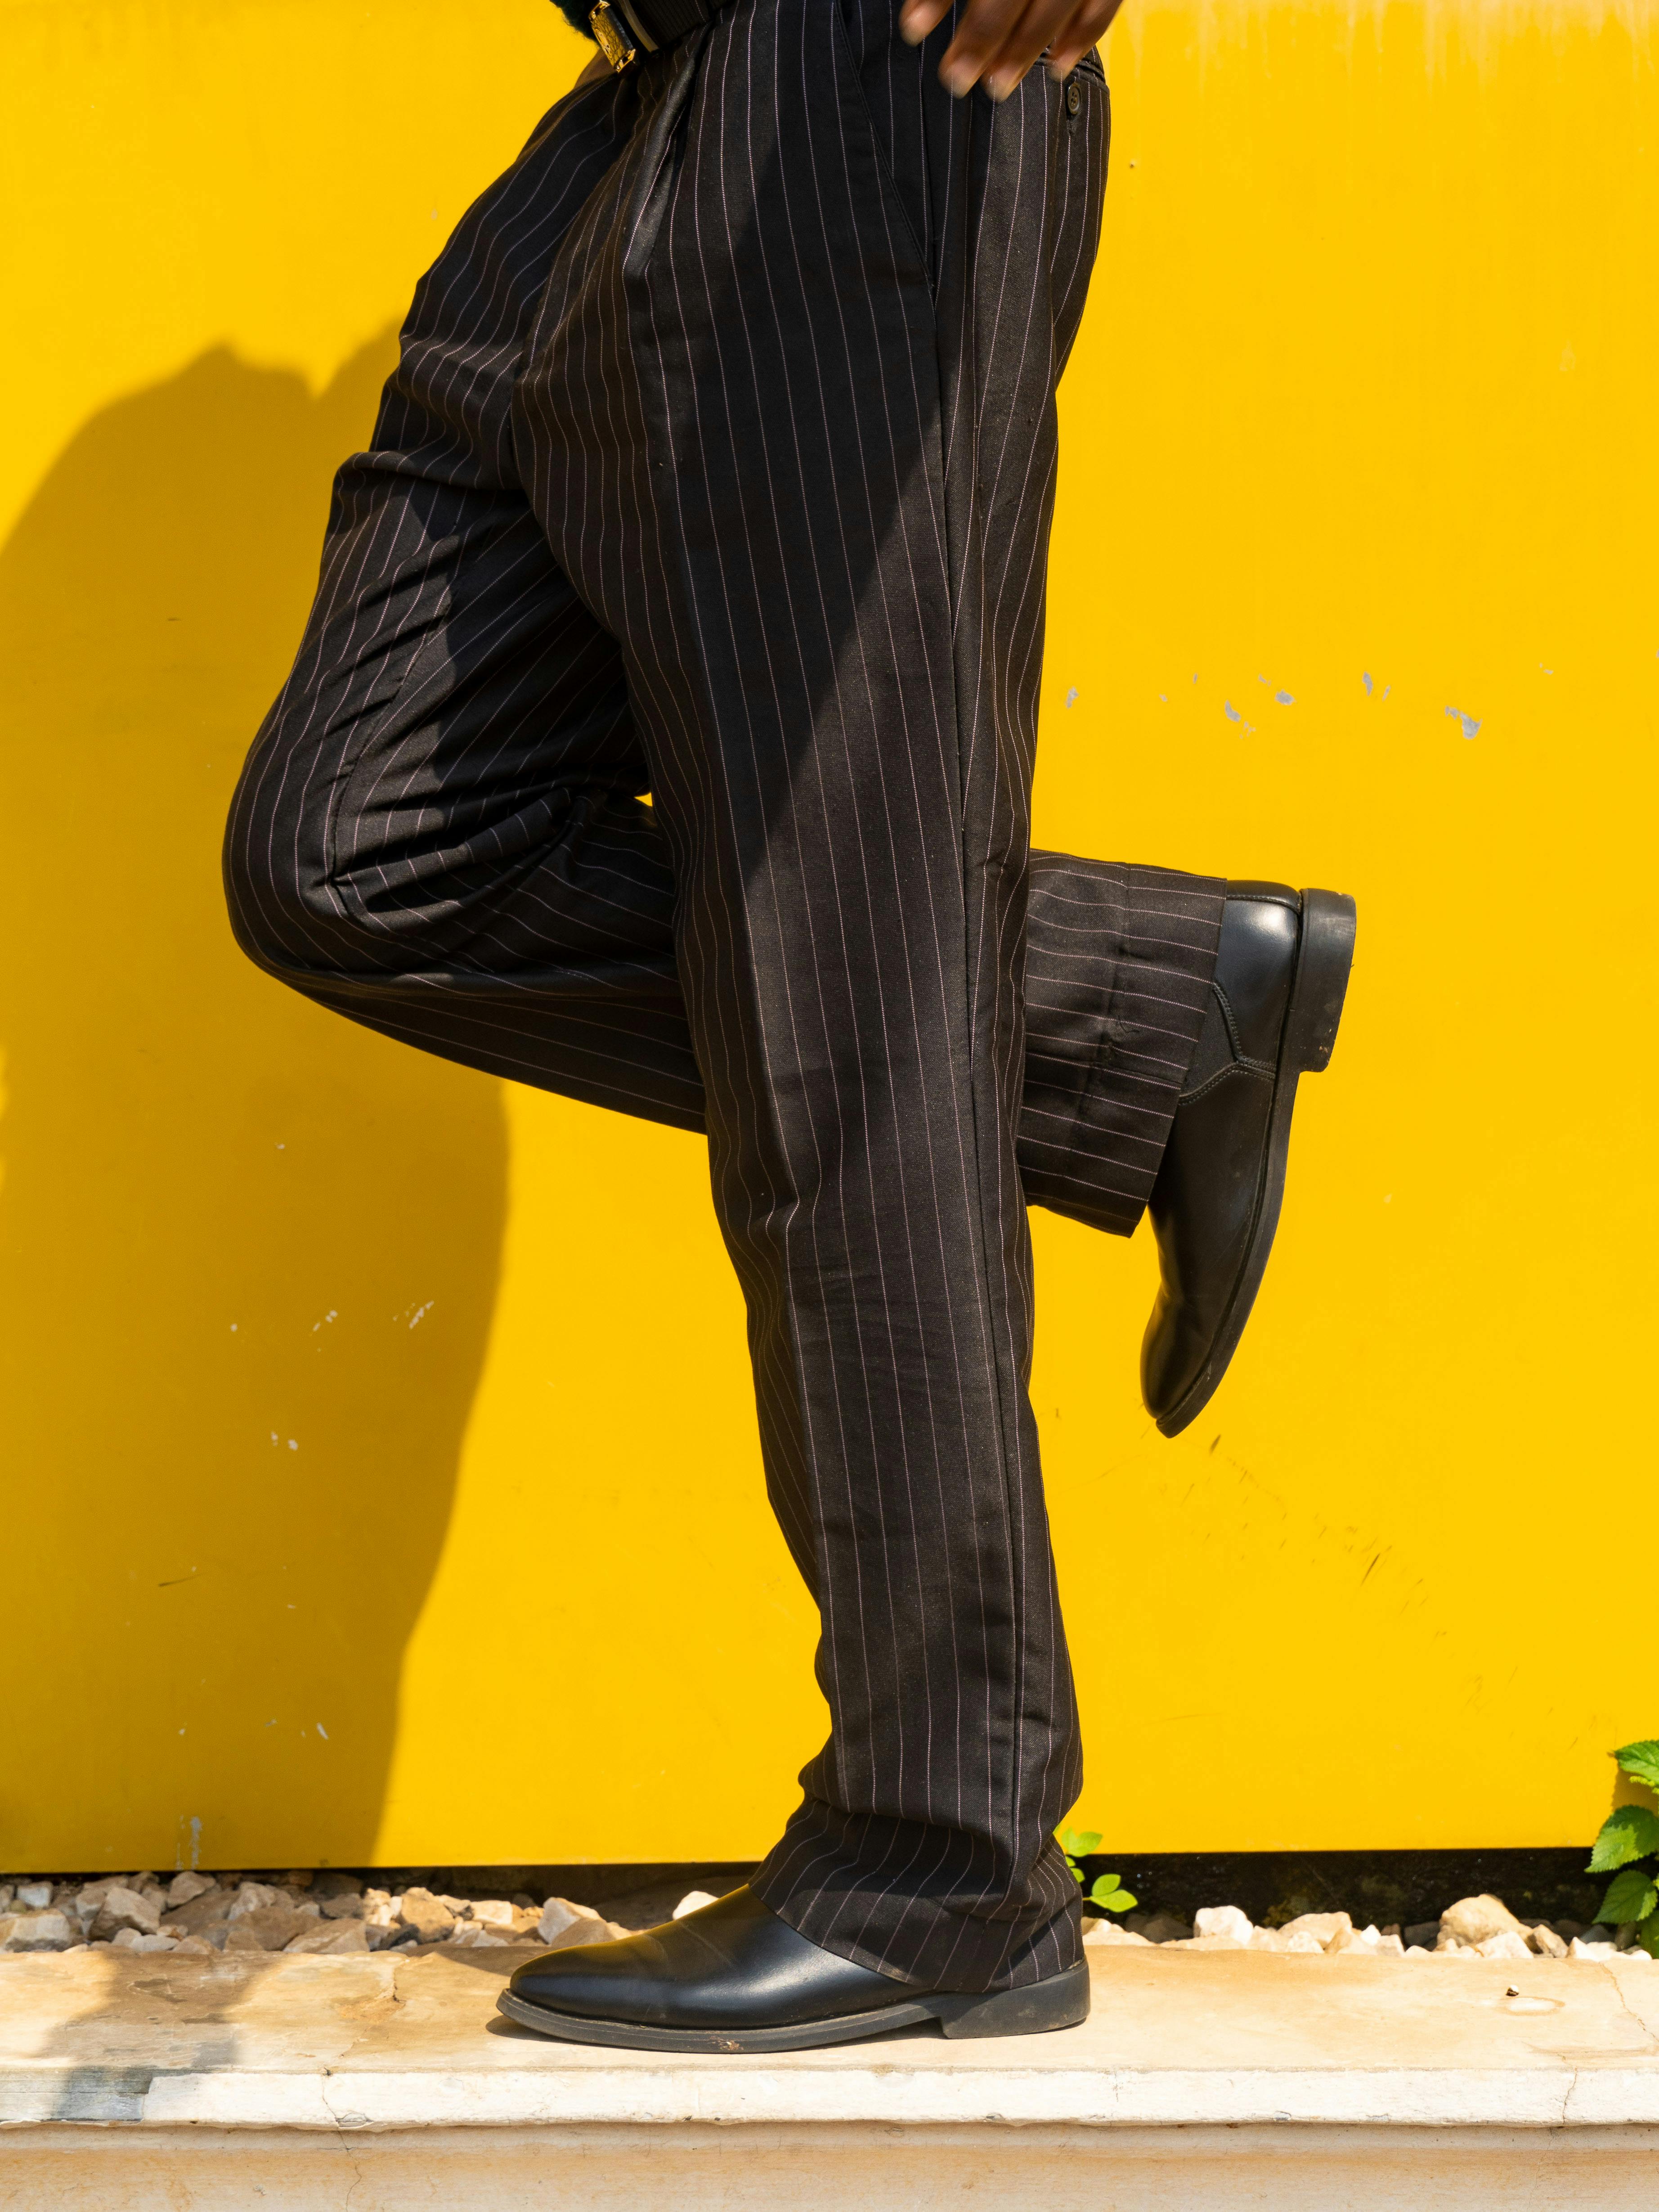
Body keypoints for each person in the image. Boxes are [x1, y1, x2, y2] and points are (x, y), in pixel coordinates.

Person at [224, 0, 1354, 2054]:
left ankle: (942, 1865)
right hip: (632, 112)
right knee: (357, 847)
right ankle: (1136, 1007)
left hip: (857, 77)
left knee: (846, 978)